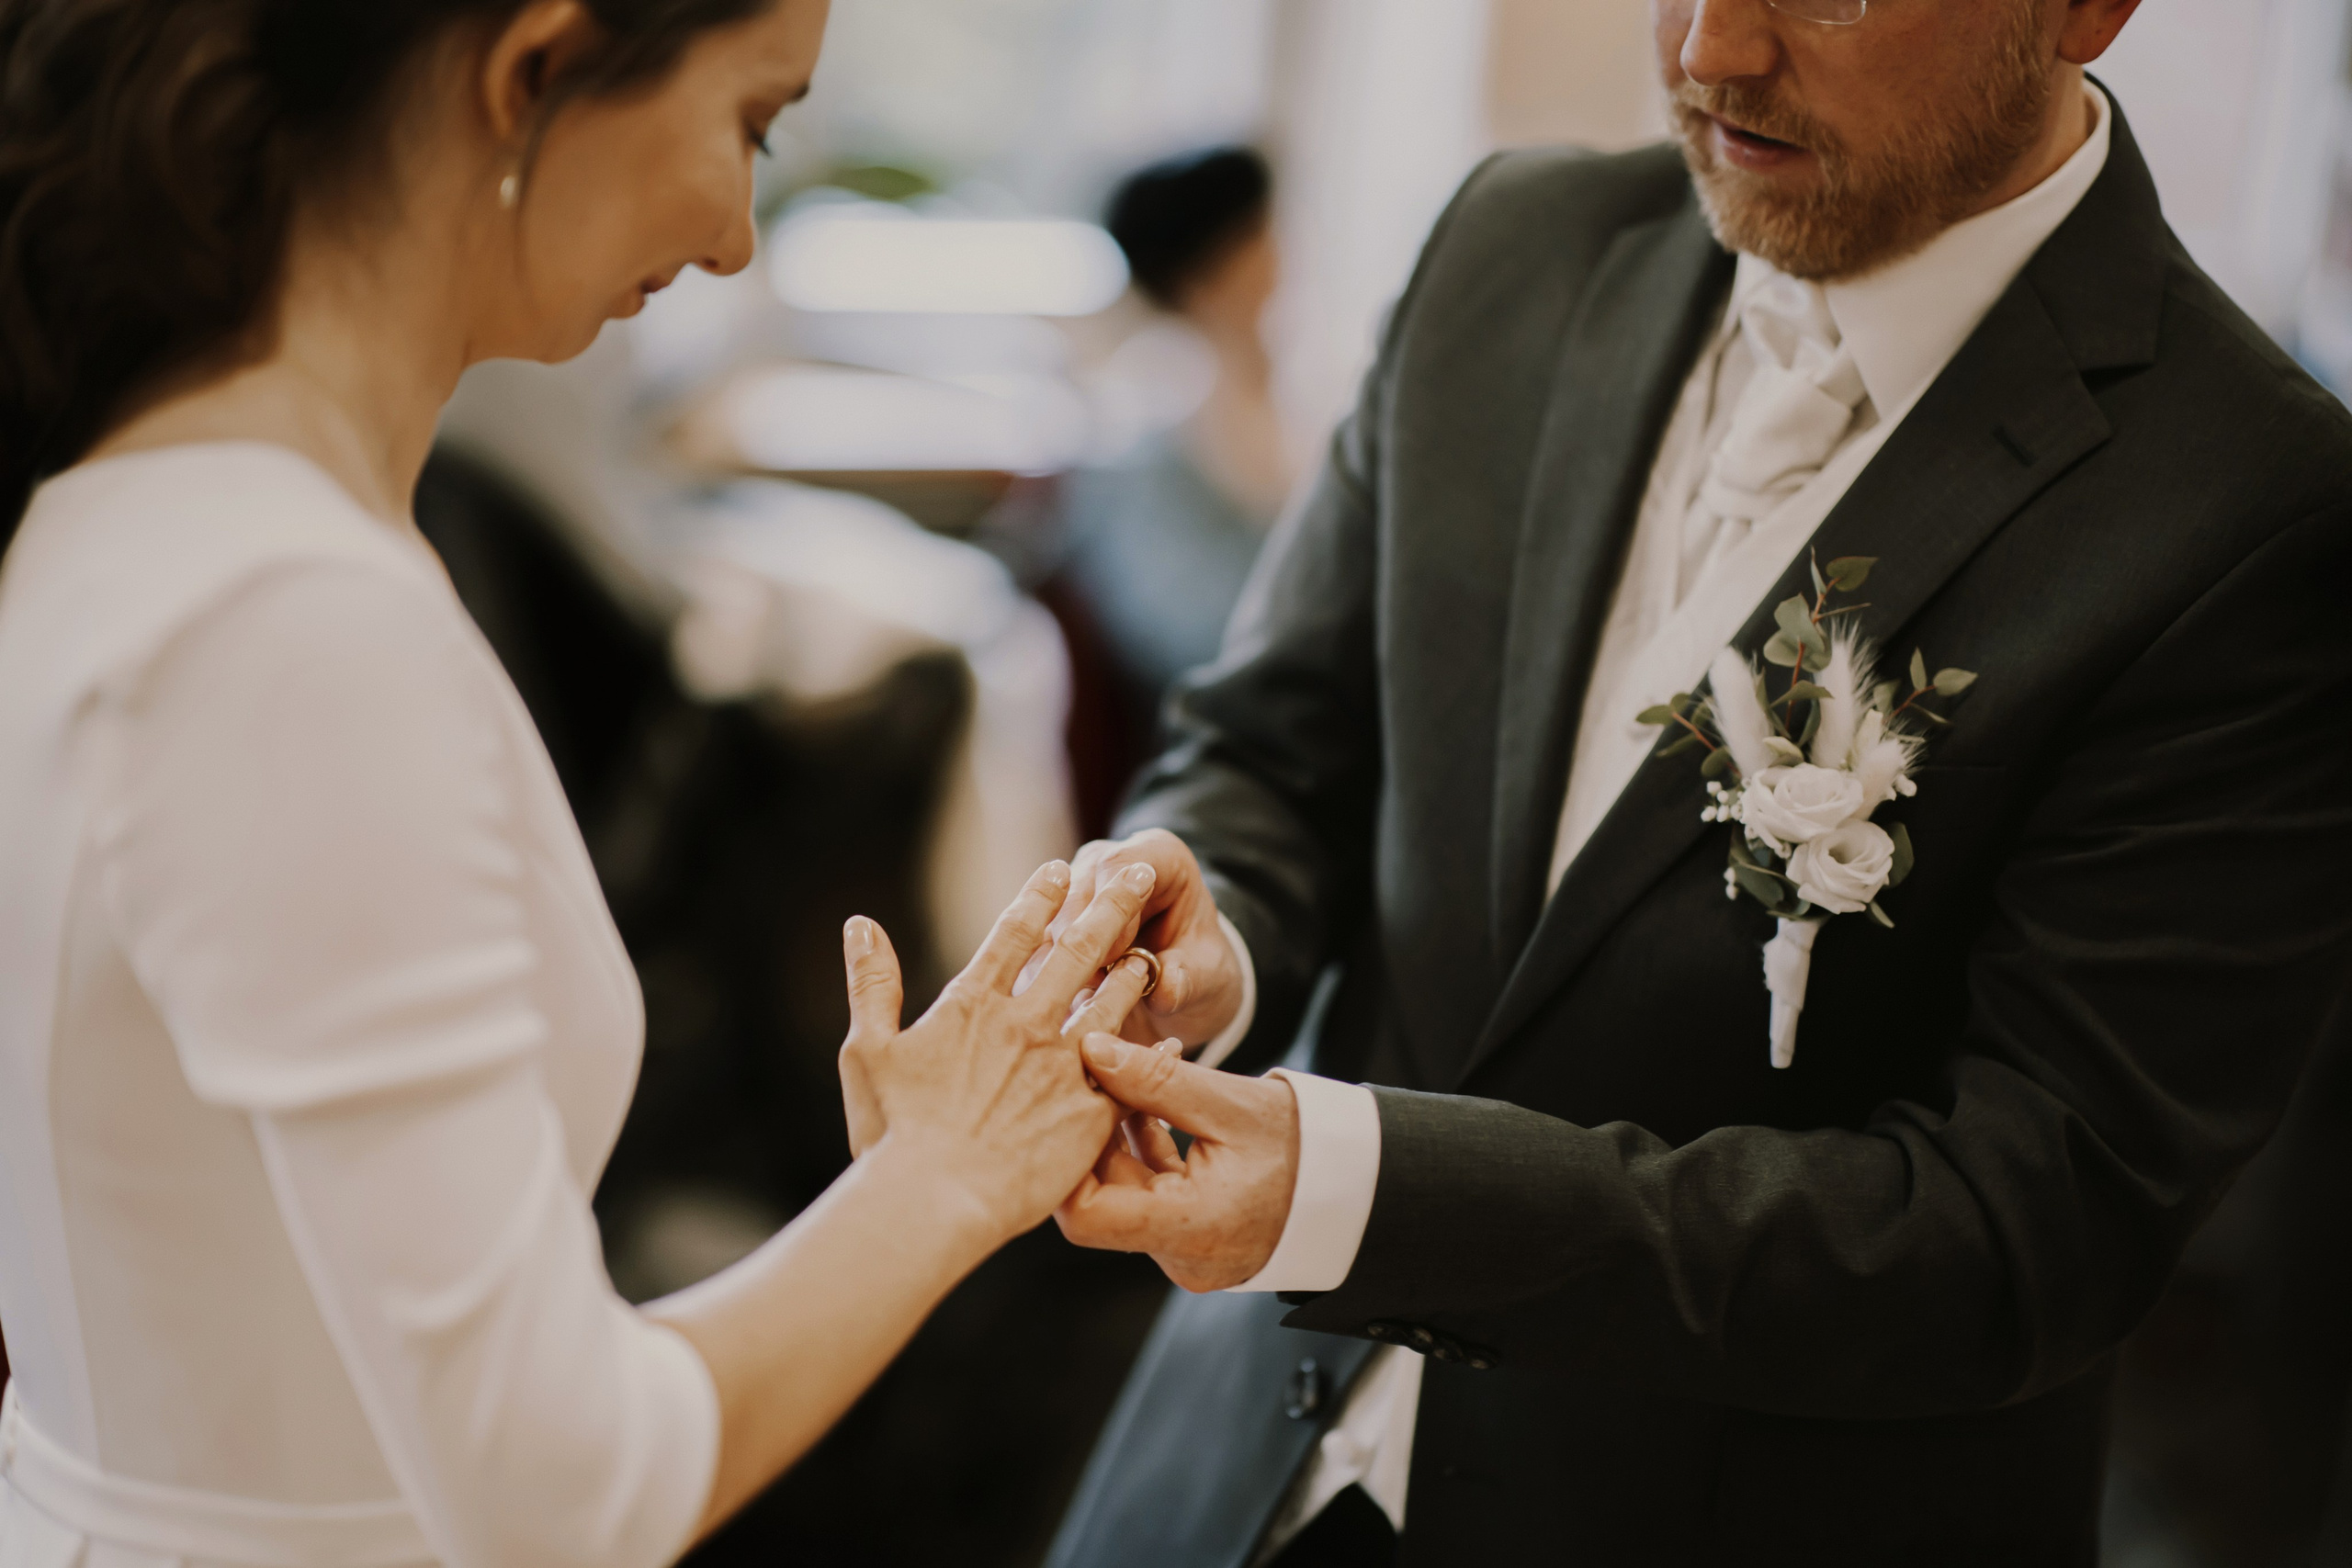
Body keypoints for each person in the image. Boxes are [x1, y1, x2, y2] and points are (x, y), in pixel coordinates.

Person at [1038, 0, 2352, 1563]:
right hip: (1223, 1464)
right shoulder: (1506, 243)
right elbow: (1273, 742)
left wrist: (1371, 1192)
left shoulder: (2253, 503)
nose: (1710, 49)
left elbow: (2024, 1224)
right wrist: (1213, 932)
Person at [0, 5, 1167, 1567]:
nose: (737, 234)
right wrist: (947, 1174)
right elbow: (563, 1491)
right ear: (533, 69)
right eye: (750, 123)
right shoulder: (292, 621)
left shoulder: (152, 504)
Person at [1063, 146, 1291, 703]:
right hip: (1214, 693)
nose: (1281, 255)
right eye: (1260, 234)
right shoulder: (1170, 395)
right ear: (1218, 259)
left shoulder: (1238, 376)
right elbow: (1182, 629)